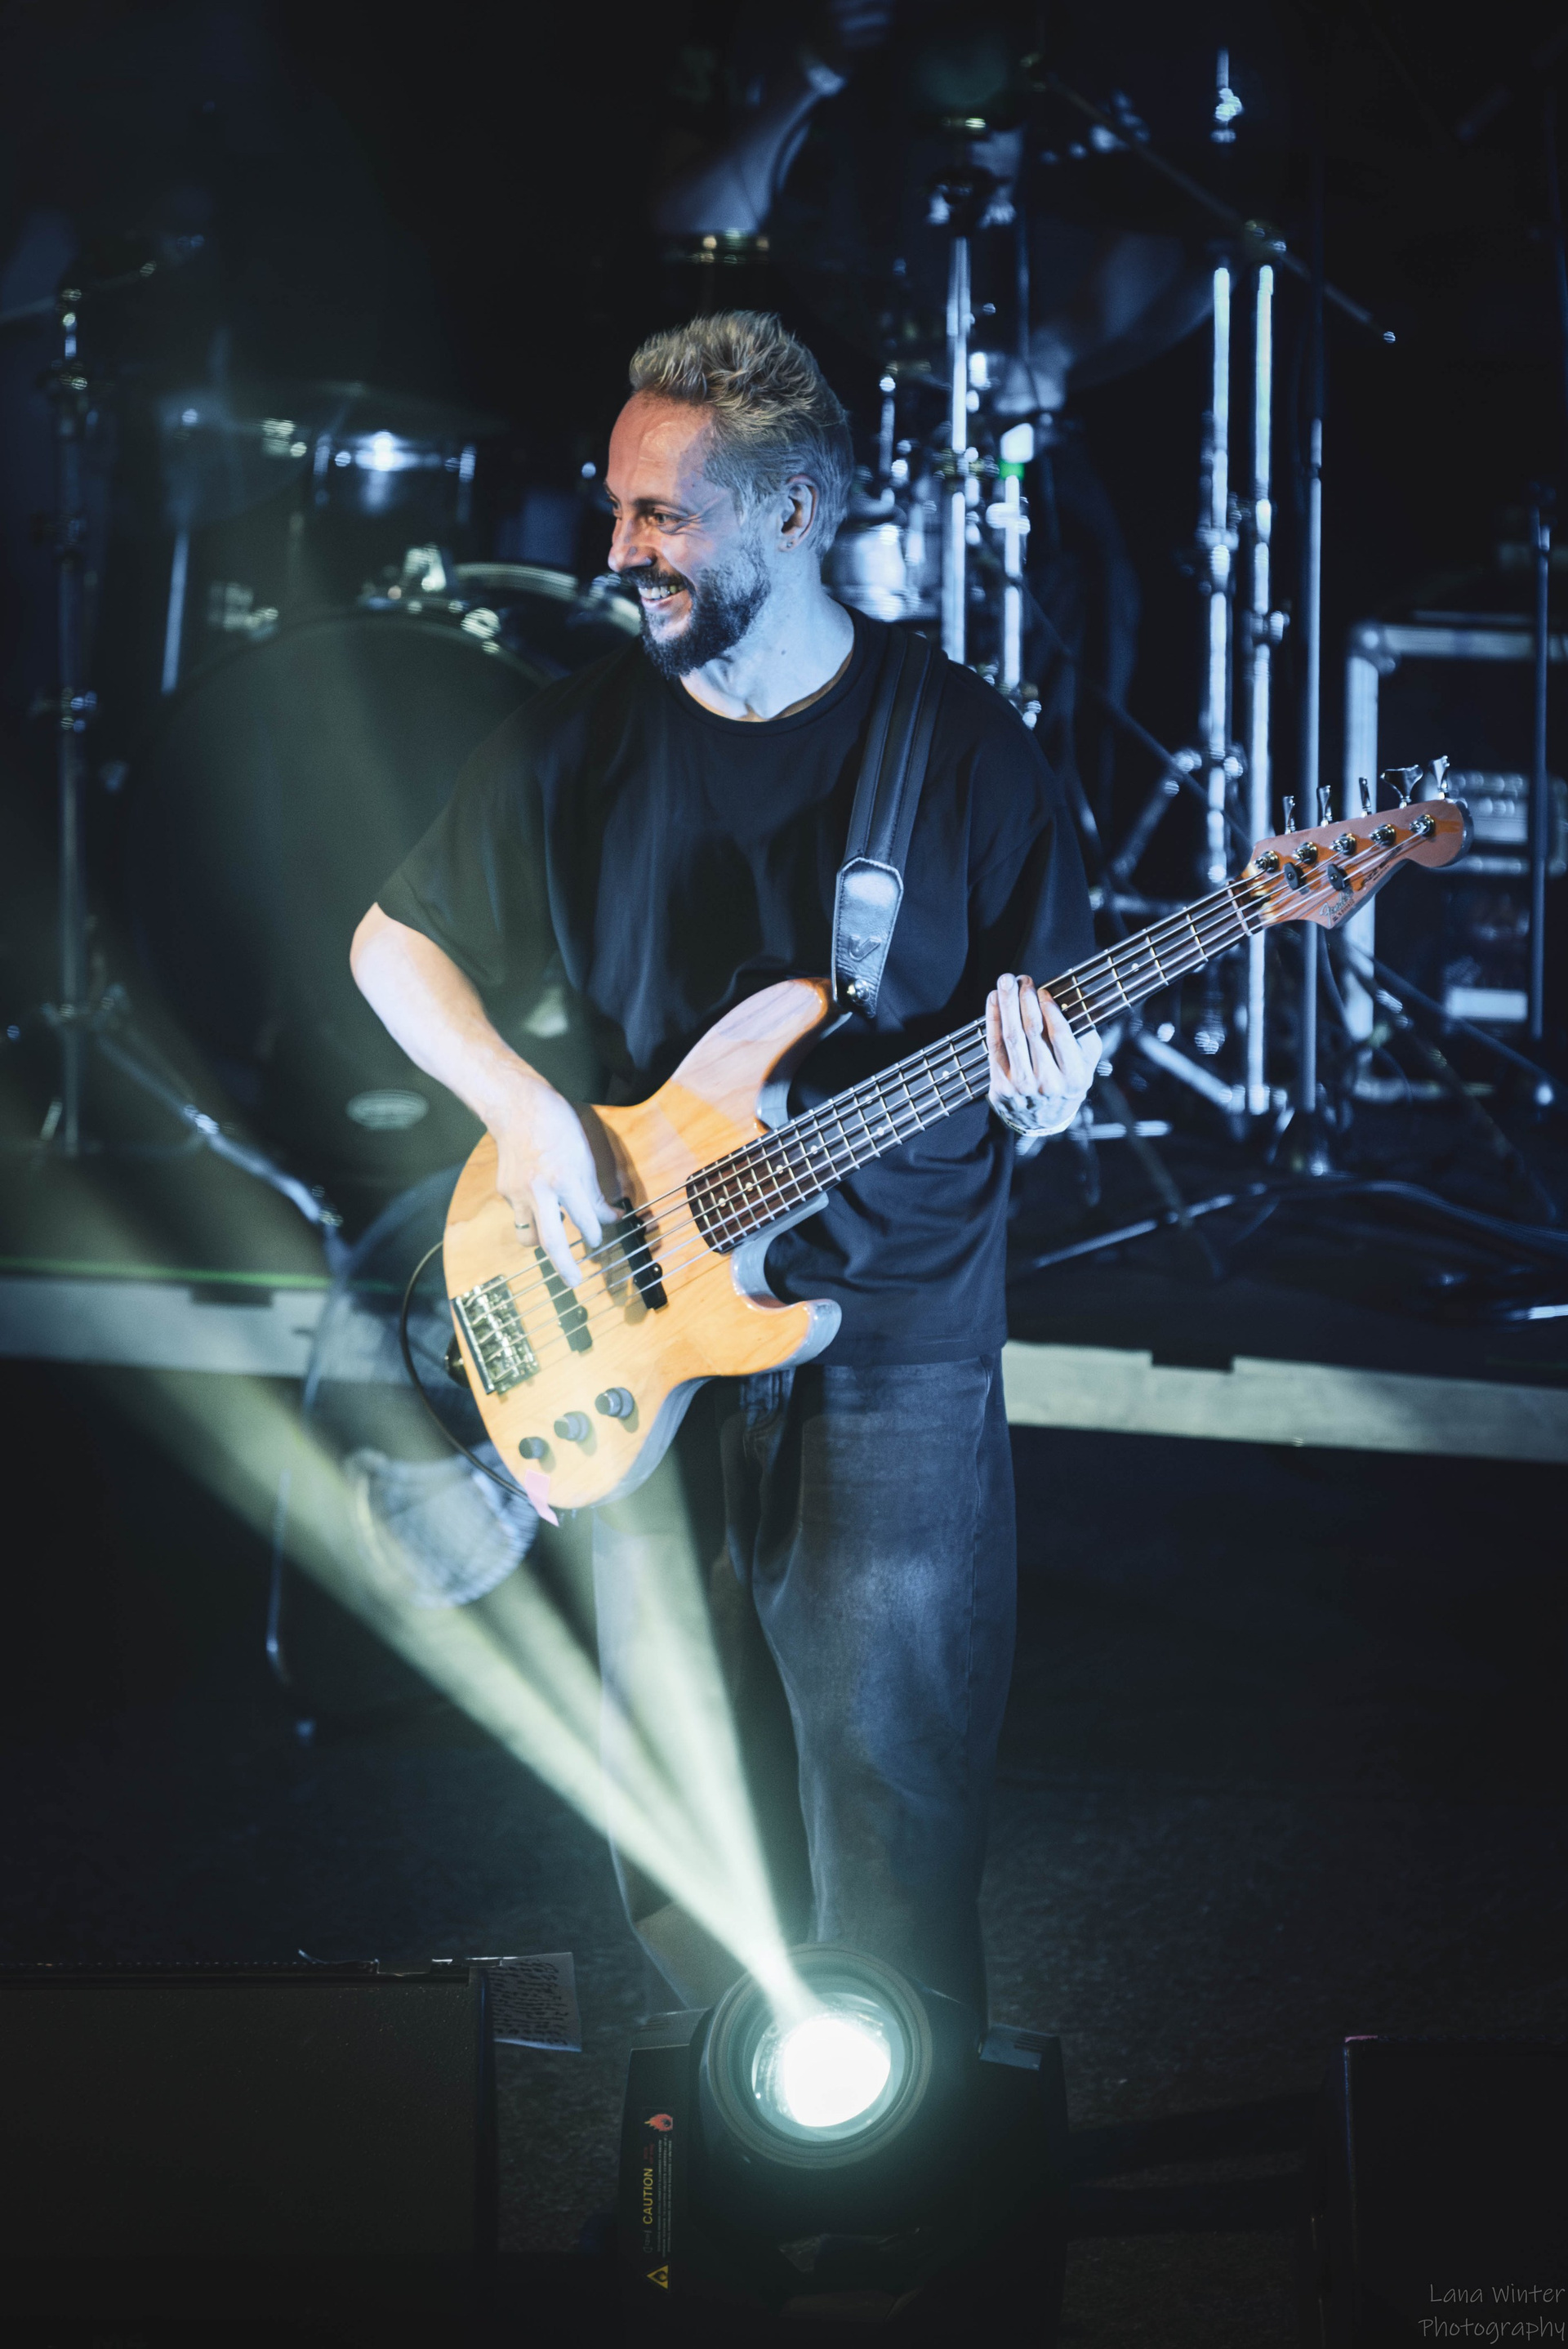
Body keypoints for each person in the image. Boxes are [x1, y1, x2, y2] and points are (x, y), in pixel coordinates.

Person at [350, 310, 1098, 2020]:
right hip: (632, 1305)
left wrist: (1051, 1100)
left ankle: (906, 2152)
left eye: (663, 516)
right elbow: (392, 945)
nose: (618, 550)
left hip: (892, 1341)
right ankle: (733, 2122)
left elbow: (1052, 1041)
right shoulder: (576, 737)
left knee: (894, 1809)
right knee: (680, 1812)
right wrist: (524, 1110)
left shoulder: (962, 749)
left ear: (796, 511)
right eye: (614, 505)